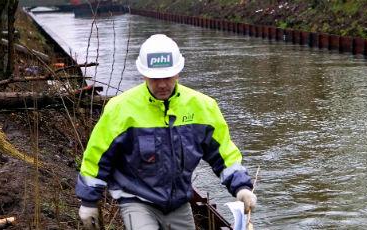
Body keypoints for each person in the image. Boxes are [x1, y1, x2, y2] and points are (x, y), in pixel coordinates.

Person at [75, 34, 257, 229]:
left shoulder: (203, 107)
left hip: (178, 203)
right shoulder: (121, 109)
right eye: (155, 78)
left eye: (167, 77)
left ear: (178, 72)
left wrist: (241, 187)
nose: (162, 84)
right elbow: (97, 156)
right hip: (136, 199)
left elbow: (223, 153)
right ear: (143, 75)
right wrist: (88, 201)